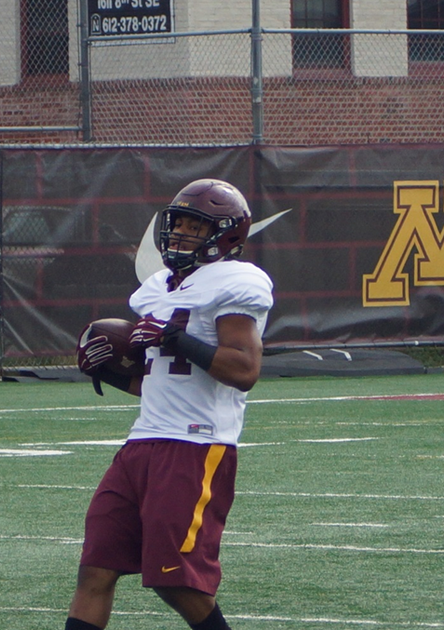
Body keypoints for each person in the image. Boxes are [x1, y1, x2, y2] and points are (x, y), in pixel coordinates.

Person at [67, 179, 274, 630]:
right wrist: (113, 372)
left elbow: (243, 371)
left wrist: (176, 339)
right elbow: (157, 383)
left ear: (226, 236)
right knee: (96, 567)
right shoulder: (158, 287)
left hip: (195, 445)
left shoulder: (237, 281)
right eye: (176, 224)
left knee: (176, 581)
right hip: (142, 442)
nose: (179, 234)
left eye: (194, 227)